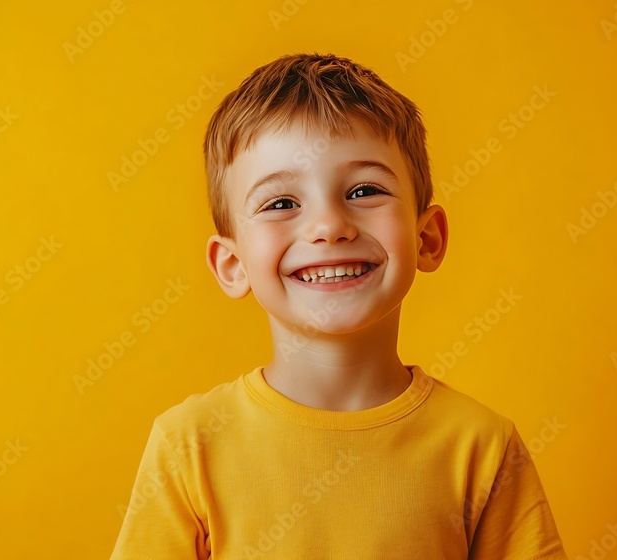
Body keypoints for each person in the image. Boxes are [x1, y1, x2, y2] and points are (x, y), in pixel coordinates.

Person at [110, 52, 568, 559]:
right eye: (281, 203)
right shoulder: (188, 447)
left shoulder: (483, 447)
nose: (329, 226)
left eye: (364, 190)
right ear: (232, 264)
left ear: (428, 238)